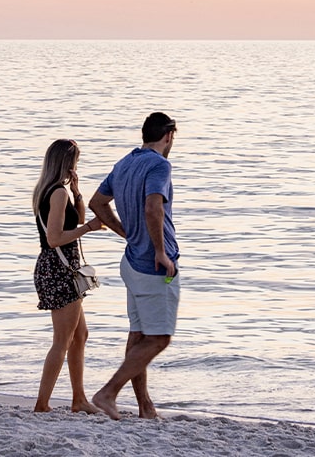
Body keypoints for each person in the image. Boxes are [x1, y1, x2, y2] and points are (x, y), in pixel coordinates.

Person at [88, 112, 180, 420]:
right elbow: (153, 207)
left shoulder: (125, 163)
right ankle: (108, 393)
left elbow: (97, 203)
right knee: (159, 338)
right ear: (168, 135)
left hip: (131, 261)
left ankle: (145, 407)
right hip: (151, 265)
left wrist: (126, 232)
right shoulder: (159, 165)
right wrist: (160, 251)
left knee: (139, 334)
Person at [31, 139, 104, 414]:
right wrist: (89, 228)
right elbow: (54, 239)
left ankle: (78, 399)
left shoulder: (54, 191)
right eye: (76, 161)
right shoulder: (56, 193)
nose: (77, 166)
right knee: (62, 340)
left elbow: (71, 221)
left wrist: (78, 193)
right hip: (59, 269)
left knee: (80, 335)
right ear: (67, 162)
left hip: (60, 268)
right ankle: (42, 404)